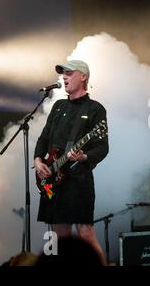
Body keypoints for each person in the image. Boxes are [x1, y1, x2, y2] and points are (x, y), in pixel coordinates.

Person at [34, 59, 109, 264]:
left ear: (83, 76)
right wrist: (39, 161)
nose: (64, 77)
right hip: (52, 181)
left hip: (78, 180)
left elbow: (102, 147)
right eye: (62, 74)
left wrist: (83, 157)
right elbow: (44, 139)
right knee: (59, 238)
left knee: (85, 234)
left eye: (69, 73)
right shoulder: (58, 106)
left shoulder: (95, 109)